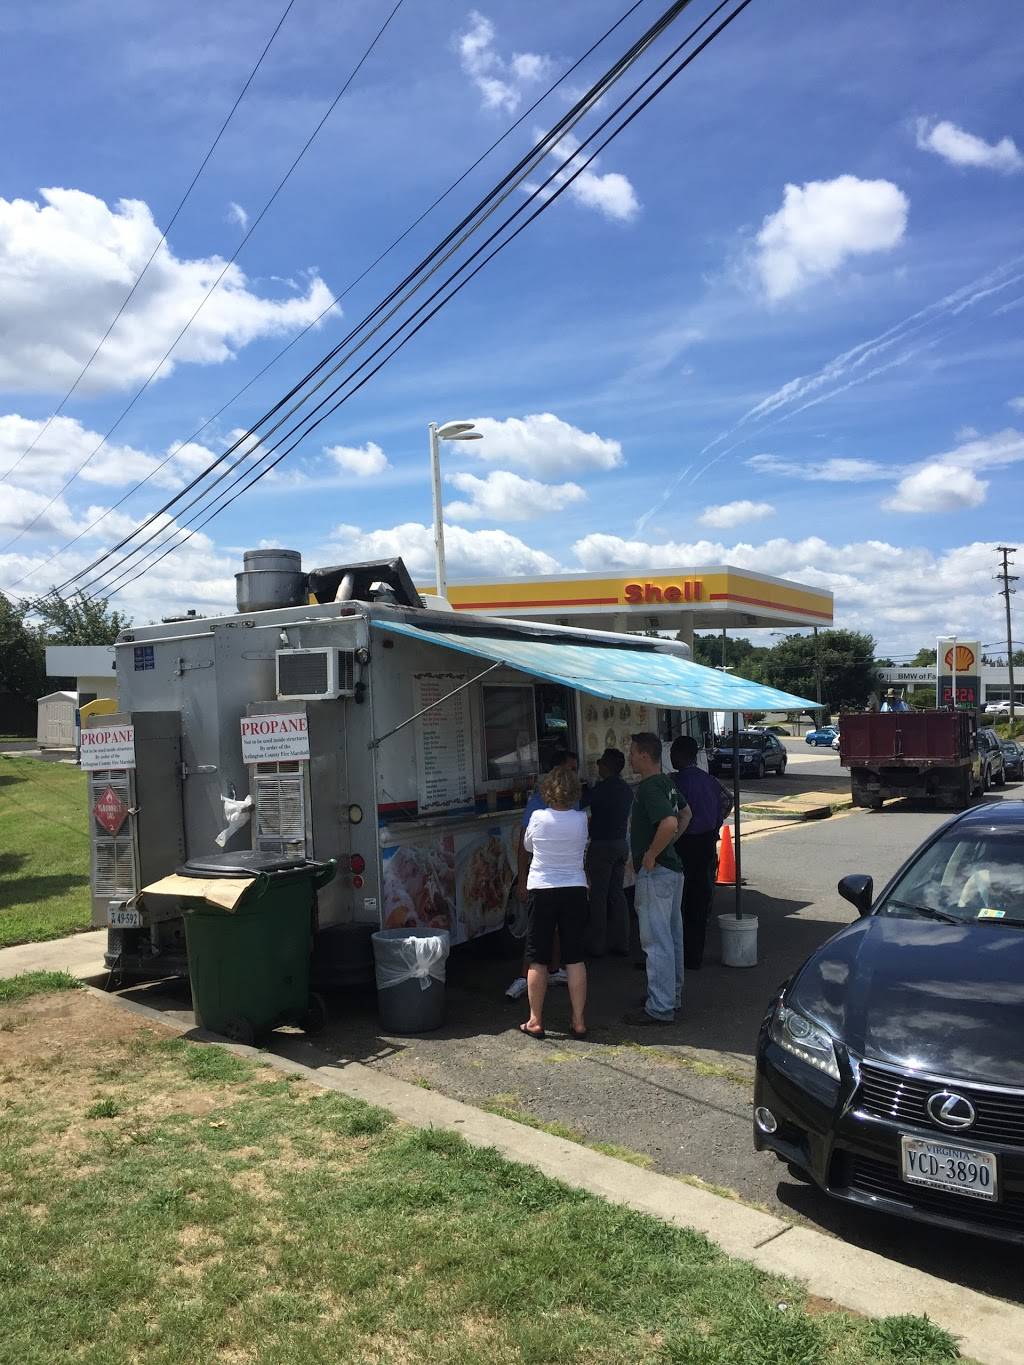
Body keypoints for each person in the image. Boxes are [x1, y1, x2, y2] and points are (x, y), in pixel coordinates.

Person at [623, 732, 690, 1026]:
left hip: (657, 872)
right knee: (672, 937)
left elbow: (671, 821)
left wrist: (652, 852)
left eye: (633, 752)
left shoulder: (650, 787)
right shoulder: (666, 782)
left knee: (656, 940)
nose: (630, 757)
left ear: (644, 756)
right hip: (672, 870)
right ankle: (670, 996)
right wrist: (669, 844)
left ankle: (660, 1006)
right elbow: (686, 814)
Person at [519, 765, 589, 1041]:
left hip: (543, 888)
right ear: (574, 792)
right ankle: (579, 1020)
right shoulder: (582, 819)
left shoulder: (537, 816)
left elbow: (527, 846)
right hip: (574, 888)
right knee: (575, 957)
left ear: (547, 790)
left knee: (537, 956)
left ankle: (536, 1020)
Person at [505, 749, 578, 999]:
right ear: (556, 773)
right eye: (570, 769)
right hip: (546, 879)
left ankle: (554, 970)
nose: (574, 775)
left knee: (554, 933)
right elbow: (524, 849)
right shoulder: (537, 805)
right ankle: (524, 977)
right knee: (537, 938)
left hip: (564, 880)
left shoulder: (574, 806)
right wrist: (522, 880)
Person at [670, 735, 733, 970]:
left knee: (677, 902)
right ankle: (694, 956)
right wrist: (717, 819)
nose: (671, 758)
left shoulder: (676, 782)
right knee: (699, 900)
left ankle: (678, 956)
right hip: (707, 844)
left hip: (683, 844)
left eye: (673, 753)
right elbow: (729, 800)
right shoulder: (710, 780)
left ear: (680, 755)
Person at [581, 747, 633, 957]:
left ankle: (597, 944)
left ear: (607, 766)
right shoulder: (626, 789)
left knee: (598, 896)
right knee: (617, 893)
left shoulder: (601, 790)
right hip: (621, 844)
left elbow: (580, 803)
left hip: (601, 845)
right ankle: (622, 941)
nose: (598, 765)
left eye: (600, 762)